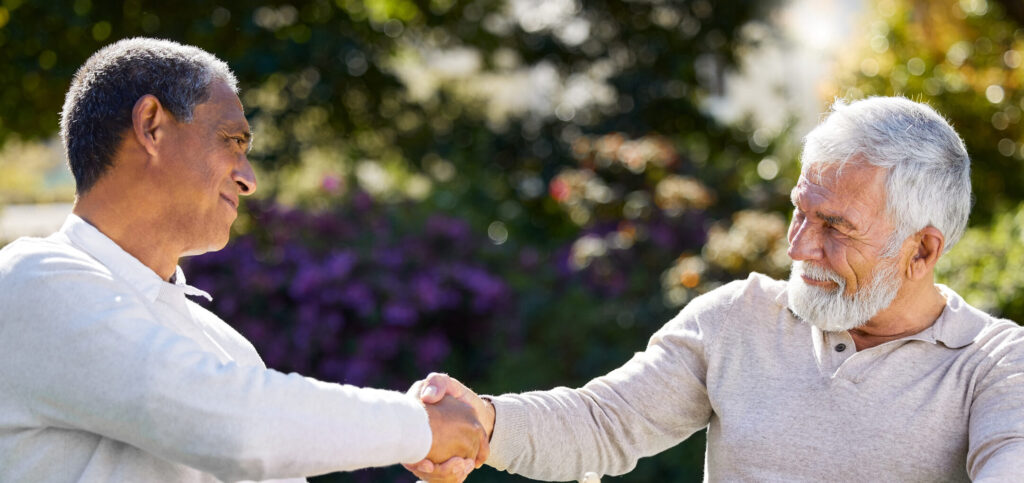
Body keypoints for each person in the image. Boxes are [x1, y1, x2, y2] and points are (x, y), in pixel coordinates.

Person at [407, 97, 1024, 482]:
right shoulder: (735, 319)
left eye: (836, 228)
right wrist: (484, 424)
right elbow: (604, 421)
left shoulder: (997, 366)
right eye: (800, 212)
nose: (800, 247)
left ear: (923, 250)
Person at [0, 37, 488, 482]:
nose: (248, 178)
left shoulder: (224, 347)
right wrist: (419, 427)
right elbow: (236, 426)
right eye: (233, 141)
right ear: (151, 126)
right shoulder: (30, 283)